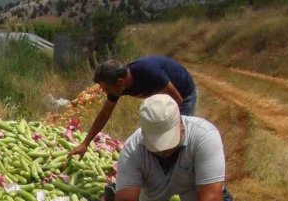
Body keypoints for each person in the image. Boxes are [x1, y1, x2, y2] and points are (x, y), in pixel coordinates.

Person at [106, 94, 233, 201]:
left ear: (181, 125)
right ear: (143, 133)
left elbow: (210, 200)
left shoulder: (204, 136)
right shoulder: (133, 148)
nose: (164, 151)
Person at [69, 56, 198, 159]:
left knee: (178, 140)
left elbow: (177, 100)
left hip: (183, 94)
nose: (106, 93)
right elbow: (104, 114)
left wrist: (172, 128)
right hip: (161, 96)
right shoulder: (118, 87)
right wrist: (85, 143)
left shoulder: (148, 72)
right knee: (159, 141)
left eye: (107, 89)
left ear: (120, 82)